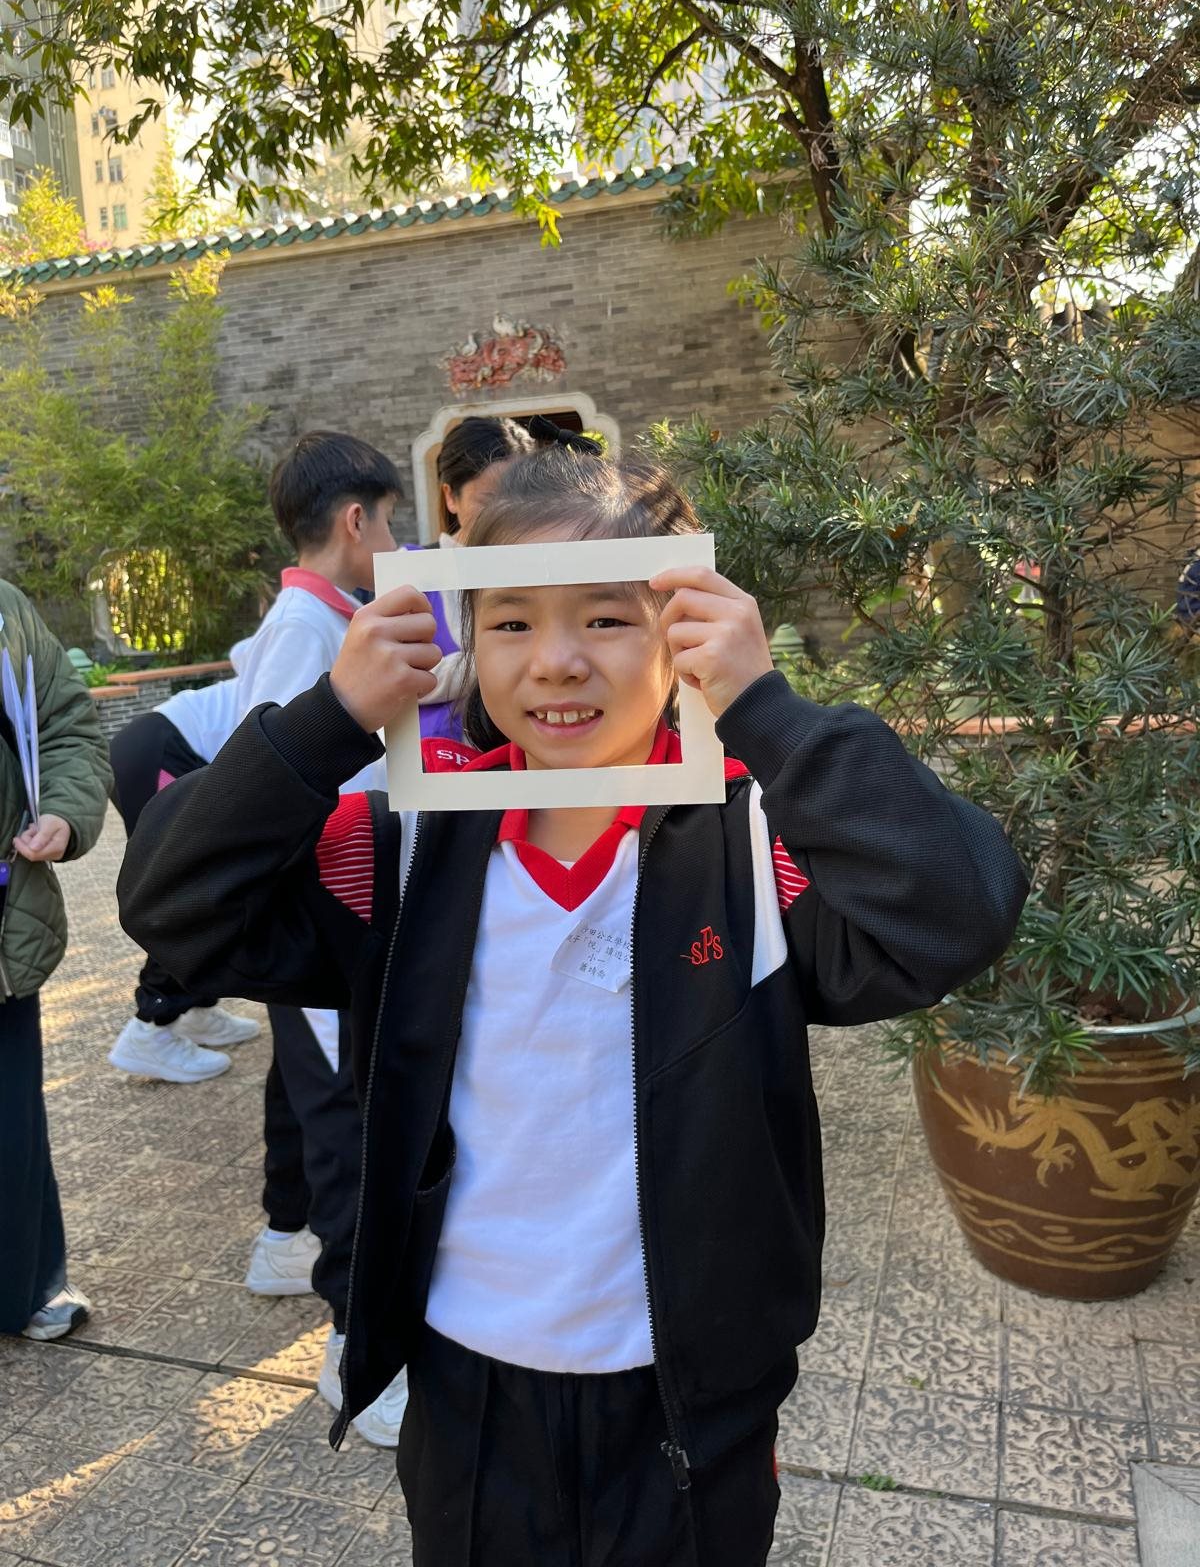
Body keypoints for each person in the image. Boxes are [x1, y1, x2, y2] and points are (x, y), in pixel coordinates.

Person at [118, 448, 1028, 1565]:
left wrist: (769, 712)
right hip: (466, 1384)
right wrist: (327, 720)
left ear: (680, 630)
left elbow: (958, 909)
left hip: (689, 1395)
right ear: (464, 638)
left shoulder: (750, 848)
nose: (556, 660)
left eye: (606, 618)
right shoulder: (405, 848)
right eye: (510, 623)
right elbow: (176, 905)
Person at [109, 431, 408, 1445]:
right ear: (355, 520)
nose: (395, 540)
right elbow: (271, 776)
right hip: (326, 904)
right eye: (391, 521)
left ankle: (285, 1244)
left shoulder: (329, 618)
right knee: (346, 1119)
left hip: (333, 906)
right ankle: (355, 1352)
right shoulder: (304, 629)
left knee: (307, 1087)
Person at [0, 580, 111, 1342]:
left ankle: (25, 1285)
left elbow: (66, 724)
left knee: (11, 1117)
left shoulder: (6, 608)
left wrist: (65, 813)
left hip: (7, 918)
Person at [413, 414, 535, 739]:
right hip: (443, 758)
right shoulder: (413, 571)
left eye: (521, 498)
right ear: (450, 497)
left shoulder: (539, 569)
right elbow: (398, 678)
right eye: (489, 500)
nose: (505, 513)